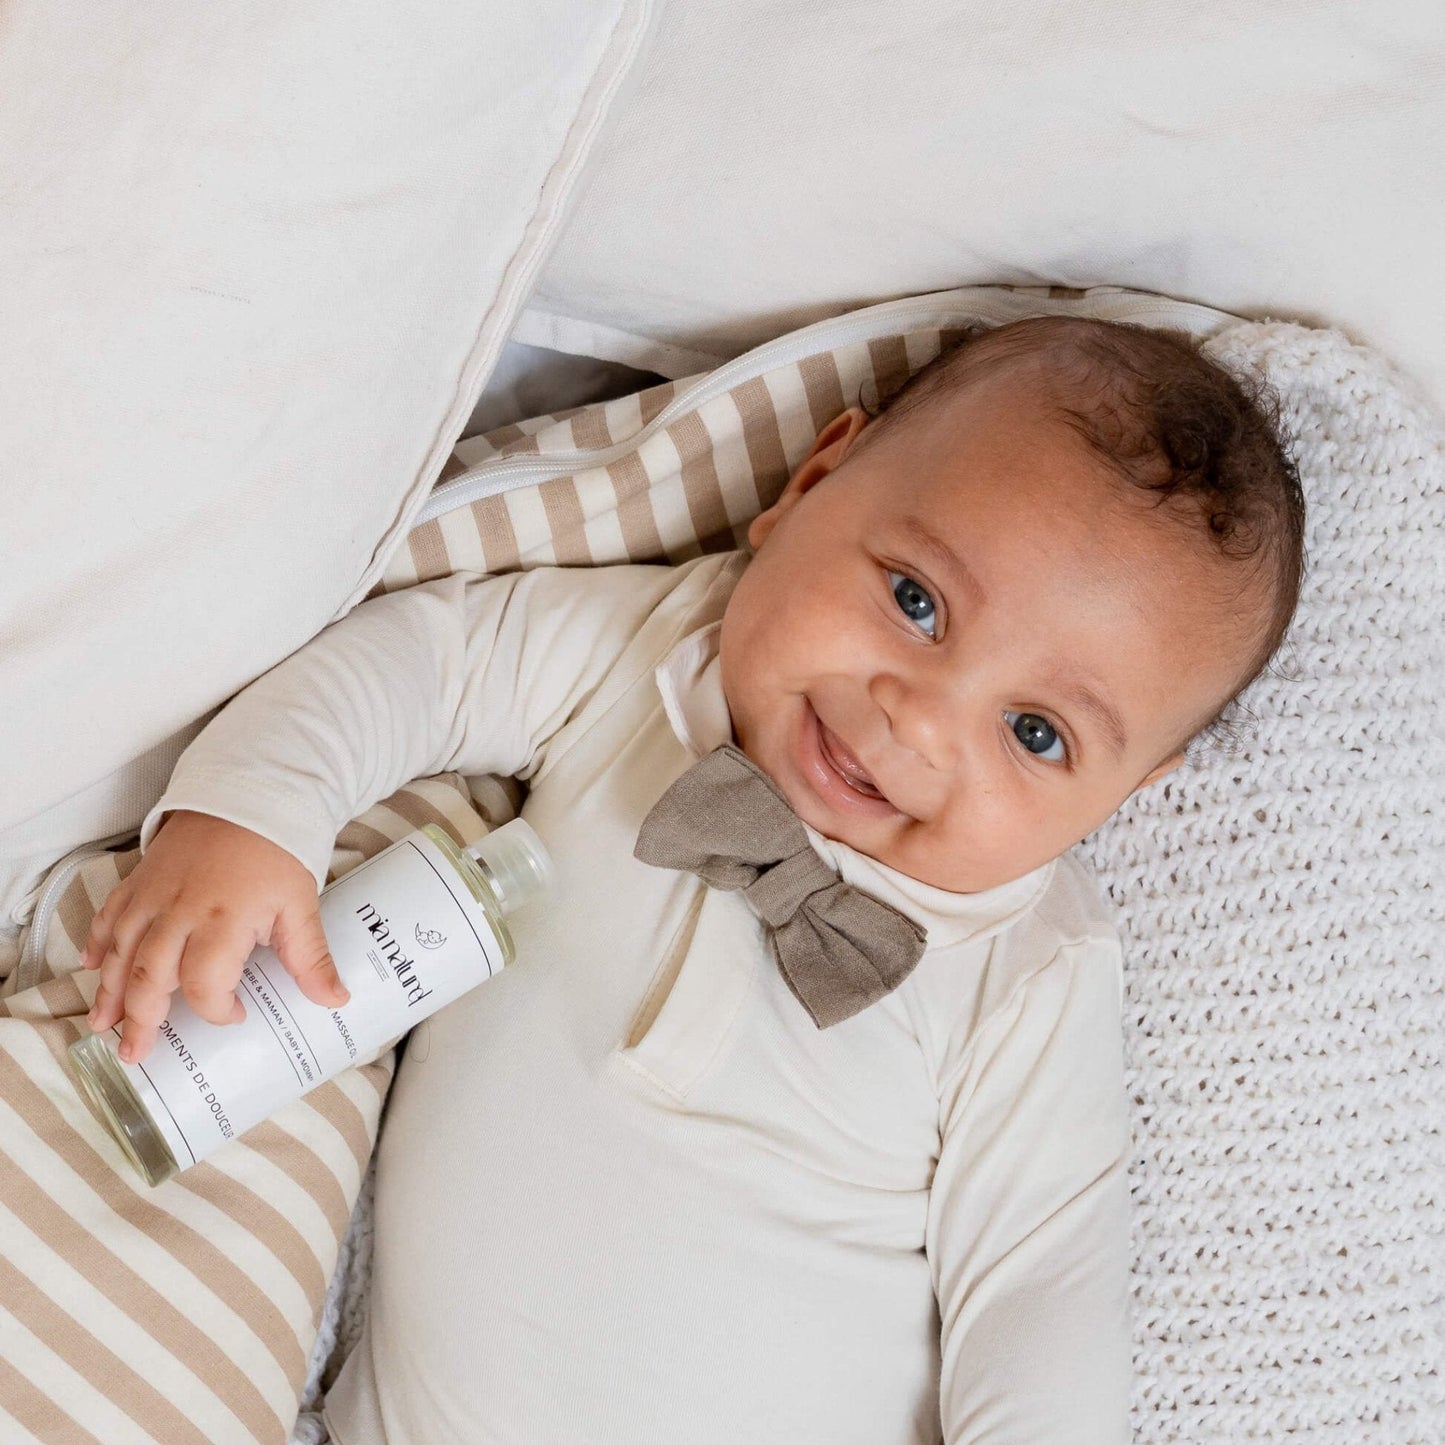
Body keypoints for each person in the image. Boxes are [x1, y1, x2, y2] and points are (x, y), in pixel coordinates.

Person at [79, 316, 1305, 1443]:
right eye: (915, 601)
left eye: (1034, 733)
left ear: (1126, 790)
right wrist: (251, 815)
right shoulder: (636, 658)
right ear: (811, 482)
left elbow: (1042, 1284)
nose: (916, 725)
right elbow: (412, 663)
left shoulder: (1030, 964)